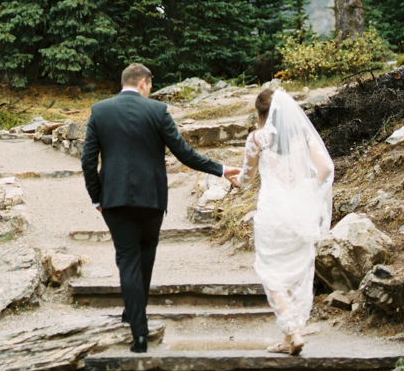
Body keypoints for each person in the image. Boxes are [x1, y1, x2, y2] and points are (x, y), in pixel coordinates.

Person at [81, 63, 241, 353]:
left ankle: (136, 328)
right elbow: (184, 153)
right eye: (151, 85)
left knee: (127, 259)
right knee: (145, 256)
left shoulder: (99, 111)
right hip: (151, 200)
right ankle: (136, 319)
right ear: (143, 82)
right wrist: (221, 169)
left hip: (114, 200)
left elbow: (87, 162)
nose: (150, 90)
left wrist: (97, 198)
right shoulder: (157, 112)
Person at [239, 86, 334, 356]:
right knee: (296, 270)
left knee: (271, 272)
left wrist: (234, 178)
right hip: (299, 209)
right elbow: (326, 167)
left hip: (272, 211)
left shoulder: (256, 138)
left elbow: (246, 179)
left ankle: (292, 331)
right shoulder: (302, 134)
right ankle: (290, 338)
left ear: (260, 113)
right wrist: (310, 189)